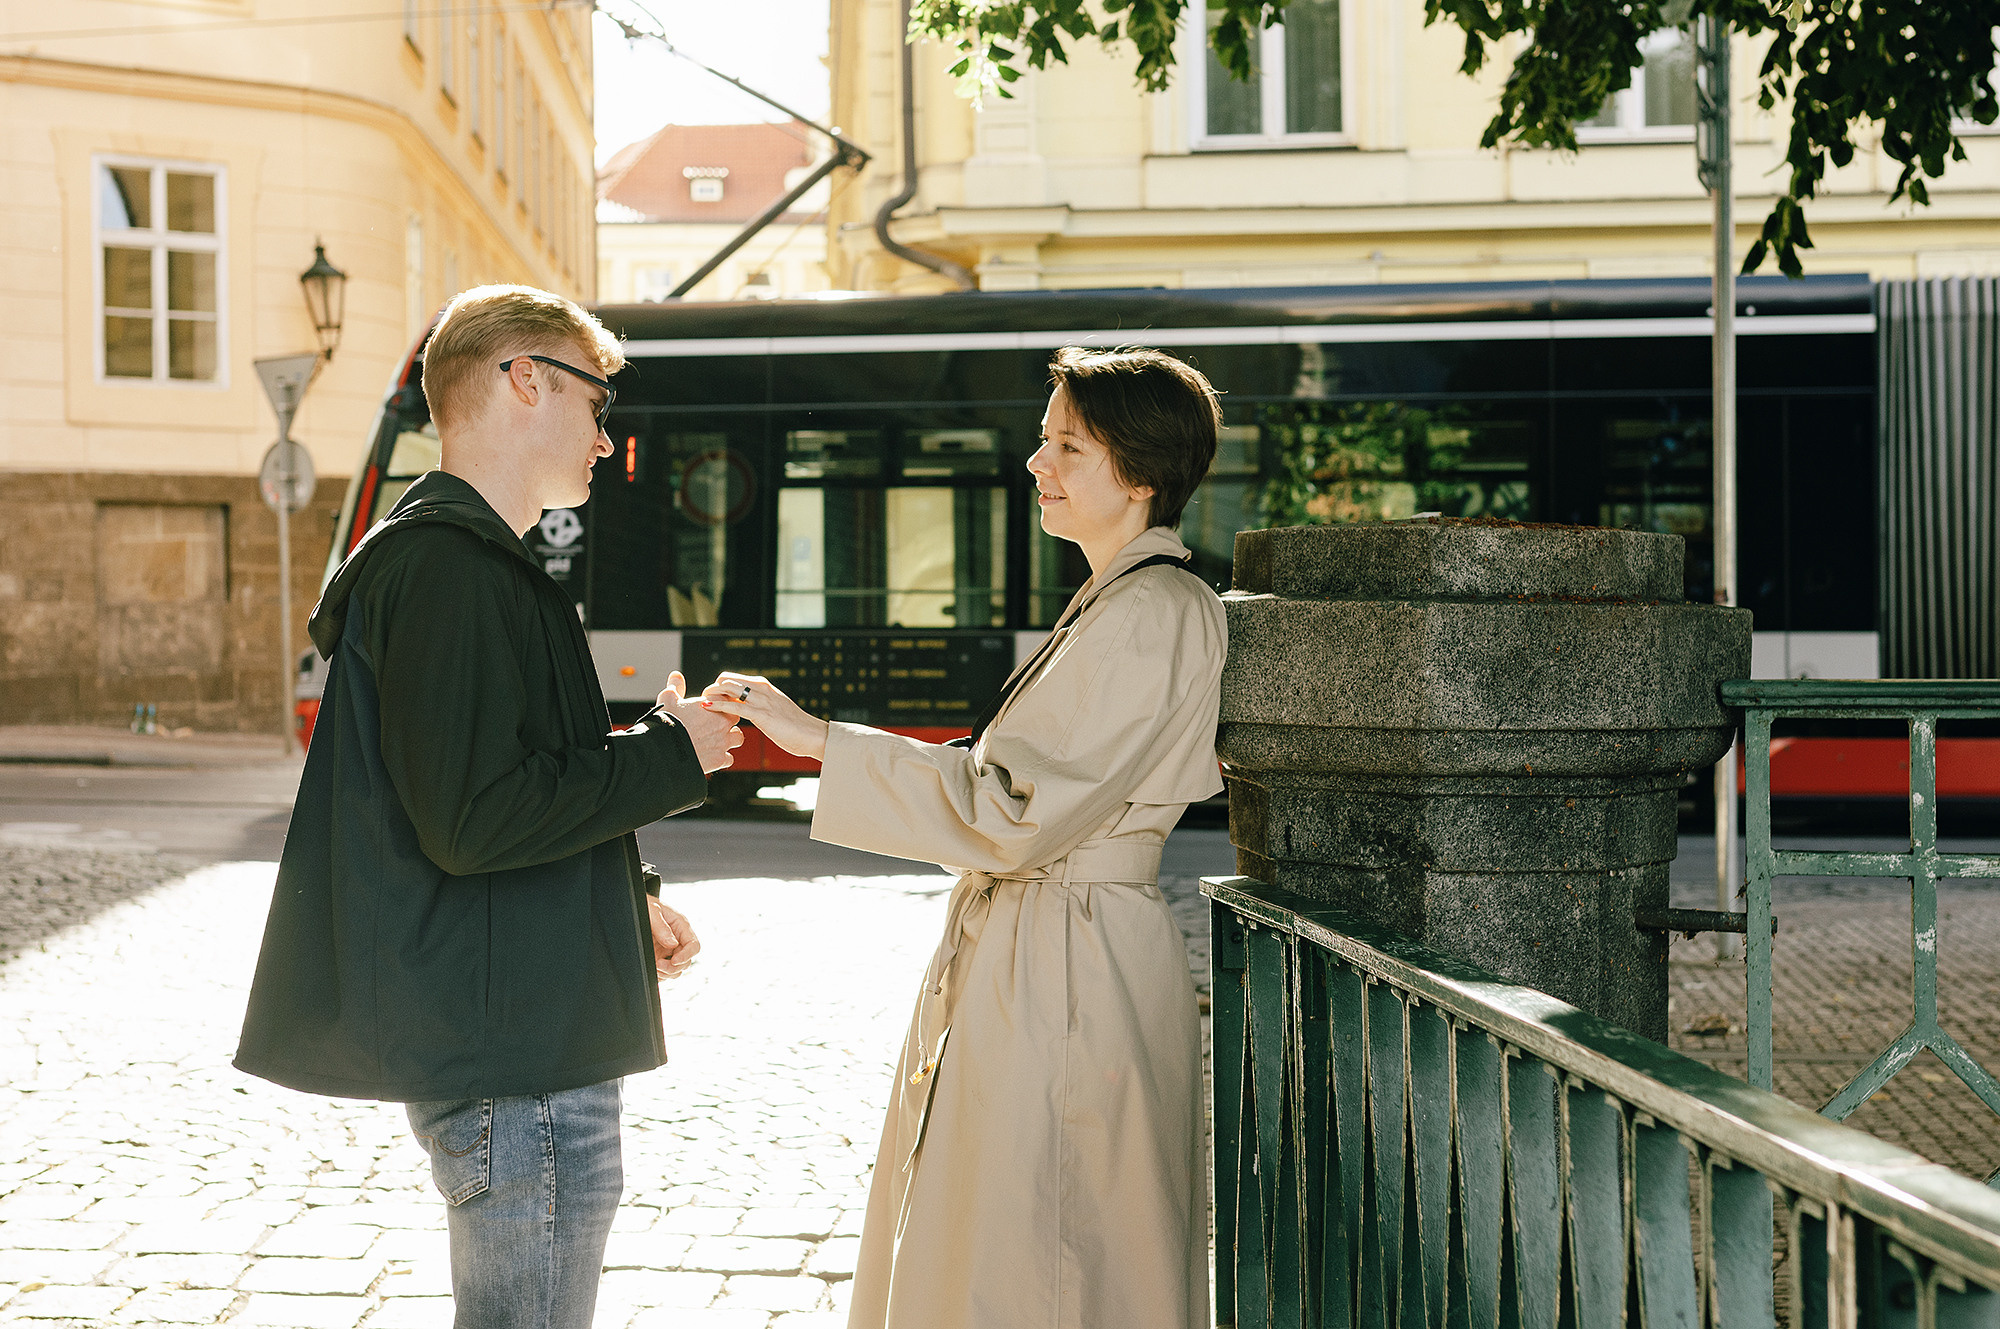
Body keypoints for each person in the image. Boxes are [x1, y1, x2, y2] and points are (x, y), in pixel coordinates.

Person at [234, 285, 742, 1329]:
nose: (607, 440)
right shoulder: (449, 569)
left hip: (520, 1028)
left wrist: (622, 892)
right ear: (524, 378)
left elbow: (509, 775)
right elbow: (477, 820)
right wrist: (670, 755)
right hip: (517, 1054)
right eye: (598, 404)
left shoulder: (474, 563)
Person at [702, 345, 1226, 1329]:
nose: (1036, 464)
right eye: (1043, 441)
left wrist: (816, 740)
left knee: (1037, 1254)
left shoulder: (1146, 611)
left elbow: (1007, 811)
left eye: (1068, 445)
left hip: (1066, 966)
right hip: (1055, 953)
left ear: (1141, 474)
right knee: (1031, 1244)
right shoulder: (1123, 602)